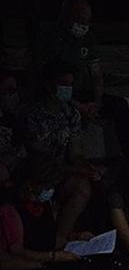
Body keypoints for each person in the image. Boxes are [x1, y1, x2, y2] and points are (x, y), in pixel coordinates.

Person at [41, 0, 129, 155]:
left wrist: (97, 103)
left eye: (87, 20)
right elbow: (53, 84)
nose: (84, 24)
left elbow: (97, 75)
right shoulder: (51, 40)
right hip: (59, 95)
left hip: (82, 93)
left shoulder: (88, 39)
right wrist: (79, 106)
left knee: (119, 105)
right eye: (80, 19)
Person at [19, 63, 97, 248]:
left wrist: (87, 167)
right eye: (63, 83)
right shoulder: (33, 115)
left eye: (70, 84)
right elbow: (37, 157)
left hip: (61, 172)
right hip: (36, 173)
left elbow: (76, 152)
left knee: (84, 186)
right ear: (49, 84)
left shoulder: (71, 114)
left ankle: (61, 237)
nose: (67, 89)